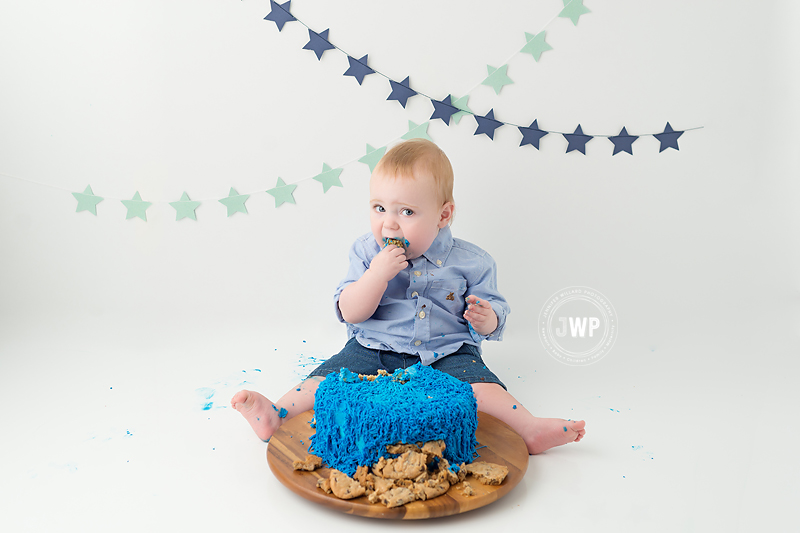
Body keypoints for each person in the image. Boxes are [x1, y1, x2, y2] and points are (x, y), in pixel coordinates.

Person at [232, 139, 585, 454]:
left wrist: (486, 317)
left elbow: (495, 318)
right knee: (326, 382)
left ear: (443, 214)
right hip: (373, 347)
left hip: (447, 352)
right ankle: (276, 414)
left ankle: (529, 428)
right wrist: (377, 276)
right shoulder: (367, 252)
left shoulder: (473, 261)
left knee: (482, 389)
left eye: (407, 212)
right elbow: (351, 311)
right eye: (379, 208)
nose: (389, 224)